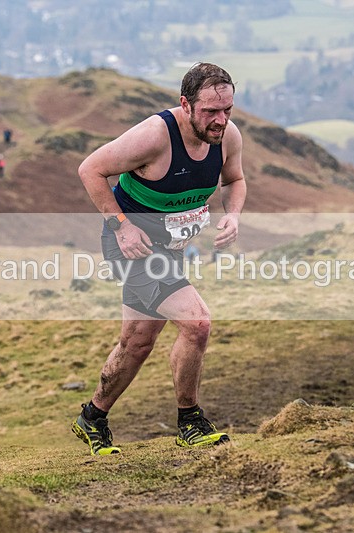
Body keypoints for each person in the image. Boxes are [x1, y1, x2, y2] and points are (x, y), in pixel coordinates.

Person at [73, 62, 246, 455]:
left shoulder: (227, 136)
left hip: (168, 250)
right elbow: (91, 169)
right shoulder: (155, 136)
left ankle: (92, 418)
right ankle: (190, 422)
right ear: (185, 105)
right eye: (210, 112)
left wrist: (232, 215)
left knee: (136, 342)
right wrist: (121, 225)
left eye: (227, 111)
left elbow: (234, 180)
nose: (220, 121)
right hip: (130, 246)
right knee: (197, 323)